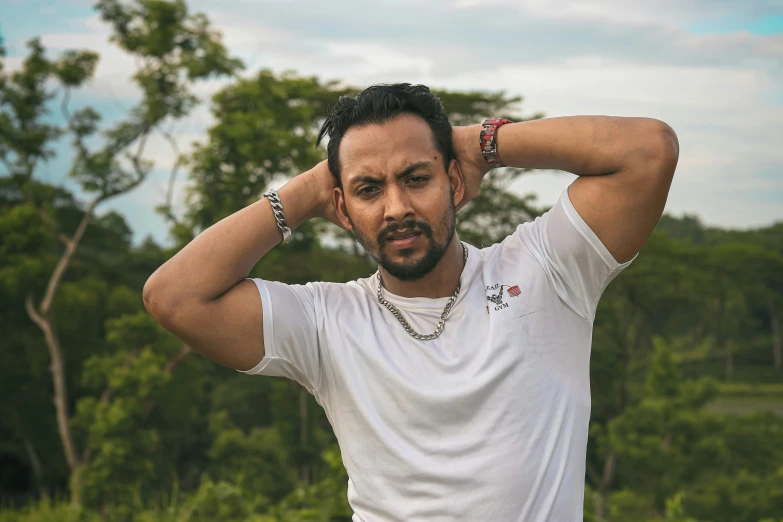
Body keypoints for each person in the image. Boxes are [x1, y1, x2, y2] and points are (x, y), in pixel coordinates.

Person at [143, 83, 679, 521]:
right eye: (369, 190)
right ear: (343, 209)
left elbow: (648, 151)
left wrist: (476, 143)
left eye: (416, 178)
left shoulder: (546, 270)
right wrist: (309, 190)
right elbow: (174, 297)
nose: (396, 207)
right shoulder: (326, 323)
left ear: (453, 181)